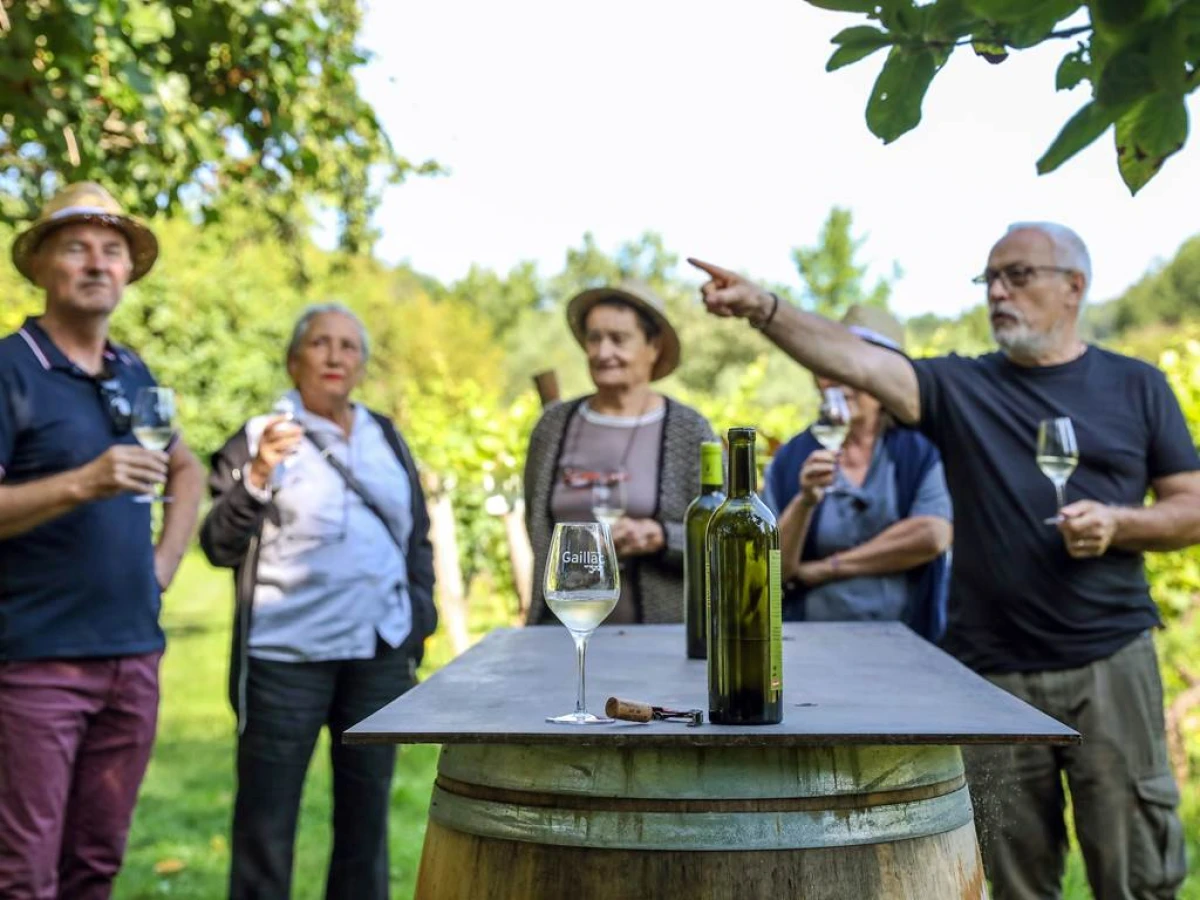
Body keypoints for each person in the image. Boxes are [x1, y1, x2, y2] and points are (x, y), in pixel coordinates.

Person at [689, 221, 1200, 900]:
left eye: (1017, 275)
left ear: (1074, 286)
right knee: (1015, 880)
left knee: (1135, 875)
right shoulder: (961, 388)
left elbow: (1190, 507)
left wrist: (1119, 523)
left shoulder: (1136, 386)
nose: (997, 291)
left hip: (1109, 664)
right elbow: (862, 361)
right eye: (988, 278)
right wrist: (765, 307)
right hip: (991, 675)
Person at [0, 182, 205, 898]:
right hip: (34, 664)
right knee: (23, 874)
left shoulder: (132, 370)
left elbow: (189, 467)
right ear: (43, 266)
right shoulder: (9, 368)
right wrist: (83, 482)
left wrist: (163, 567)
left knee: (96, 864)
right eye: (77, 246)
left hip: (132, 659)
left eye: (111, 250)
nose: (96, 262)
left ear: (127, 272)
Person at [199, 304, 437, 900]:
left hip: (377, 652)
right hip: (285, 658)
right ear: (293, 359)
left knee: (367, 820)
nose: (335, 356)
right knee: (266, 820)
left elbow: (416, 536)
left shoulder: (386, 435)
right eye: (320, 344)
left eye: (349, 346)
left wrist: (419, 618)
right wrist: (256, 474)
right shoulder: (262, 434)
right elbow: (217, 544)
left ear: (360, 364)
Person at [524, 283, 717, 625]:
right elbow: (536, 526)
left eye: (618, 338)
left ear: (653, 346)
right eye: (594, 338)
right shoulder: (553, 426)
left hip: (660, 636)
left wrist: (661, 538)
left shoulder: (689, 430)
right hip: (561, 630)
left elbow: (722, 538)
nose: (602, 351)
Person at [764, 304, 952, 640]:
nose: (842, 380)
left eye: (856, 369)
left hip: (906, 645)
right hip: (812, 643)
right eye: (833, 365)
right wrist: (805, 501)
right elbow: (773, 570)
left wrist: (823, 570)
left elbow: (932, 536)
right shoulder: (791, 458)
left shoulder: (915, 452)